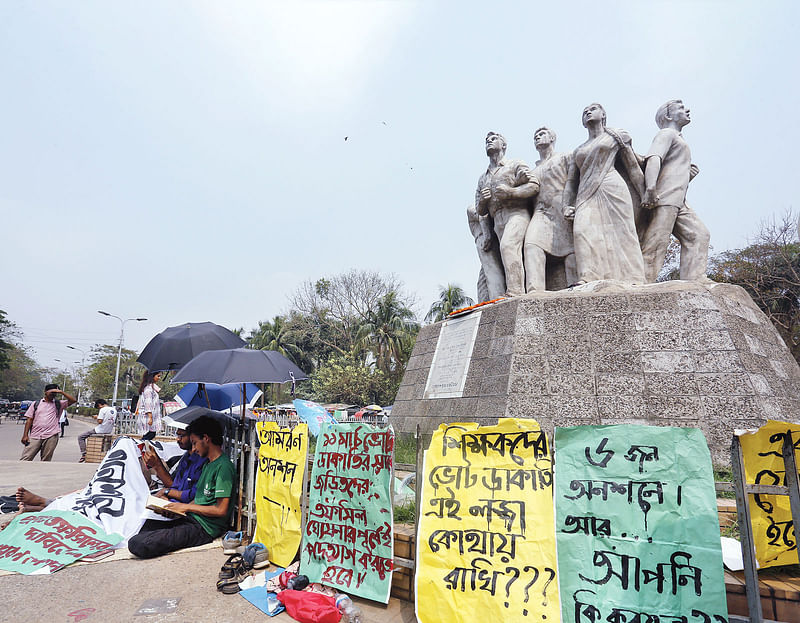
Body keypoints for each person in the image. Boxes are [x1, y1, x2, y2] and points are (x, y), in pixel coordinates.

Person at [127, 415, 236, 559]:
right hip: (191, 518)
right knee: (144, 527)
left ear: (206, 439)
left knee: (138, 543)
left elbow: (221, 510)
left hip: (205, 527)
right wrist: (176, 511)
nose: (194, 448)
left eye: (195, 443)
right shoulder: (209, 464)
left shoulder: (223, 467)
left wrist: (186, 508)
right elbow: (199, 499)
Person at [562, 103, 646, 285]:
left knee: (623, 232)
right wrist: (566, 205)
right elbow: (571, 183)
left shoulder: (615, 136)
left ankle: (634, 277)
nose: (587, 112)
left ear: (603, 115)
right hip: (585, 194)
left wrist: (645, 194)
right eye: (584, 112)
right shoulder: (578, 150)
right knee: (582, 231)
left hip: (612, 187)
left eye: (592, 109)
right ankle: (587, 277)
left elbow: (632, 167)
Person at [639, 99, 710, 282]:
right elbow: (654, 158)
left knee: (699, 234)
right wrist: (651, 188)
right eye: (681, 107)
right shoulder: (666, 134)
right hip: (665, 196)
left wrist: (688, 175)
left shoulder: (678, 138)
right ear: (668, 115)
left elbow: (672, 168)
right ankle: (642, 283)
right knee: (656, 243)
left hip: (679, 198)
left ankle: (695, 279)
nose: (687, 109)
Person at [475, 132, 539, 297]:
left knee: (508, 246)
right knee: (507, 253)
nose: (489, 141)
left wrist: (511, 192)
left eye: (493, 139)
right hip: (497, 220)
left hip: (517, 213)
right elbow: (479, 210)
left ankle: (515, 291)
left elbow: (534, 185)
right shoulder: (483, 178)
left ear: (504, 145)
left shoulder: (515, 164)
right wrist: (483, 201)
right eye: (486, 140)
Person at [523, 127, 577, 291]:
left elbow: (574, 181)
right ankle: (535, 291)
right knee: (531, 245)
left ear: (552, 138)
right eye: (535, 136)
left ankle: (575, 287)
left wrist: (572, 204)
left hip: (562, 207)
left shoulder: (565, 157)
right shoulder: (532, 171)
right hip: (541, 213)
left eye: (542, 134)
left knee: (572, 251)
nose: (538, 138)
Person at [142, 426, 208, 502]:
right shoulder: (185, 457)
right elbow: (175, 486)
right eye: (177, 435)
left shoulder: (204, 462)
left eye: (182, 436)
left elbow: (193, 496)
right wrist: (166, 496)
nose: (178, 439)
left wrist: (167, 492)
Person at [20, 383, 77, 461]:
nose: (53, 395)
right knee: (26, 458)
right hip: (35, 435)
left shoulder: (58, 404)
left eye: (55, 393)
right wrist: (25, 435)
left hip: (51, 435)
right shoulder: (36, 404)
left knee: (46, 460)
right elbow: (29, 420)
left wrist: (61, 392)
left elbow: (73, 400)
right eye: (51, 392)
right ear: (45, 392)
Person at [136, 371, 163, 435]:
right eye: (158, 376)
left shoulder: (152, 388)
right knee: (147, 436)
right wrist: (150, 418)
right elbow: (148, 404)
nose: (159, 378)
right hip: (147, 418)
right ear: (152, 377)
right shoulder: (148, 389)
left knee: (150, 435)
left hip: (151, 417)